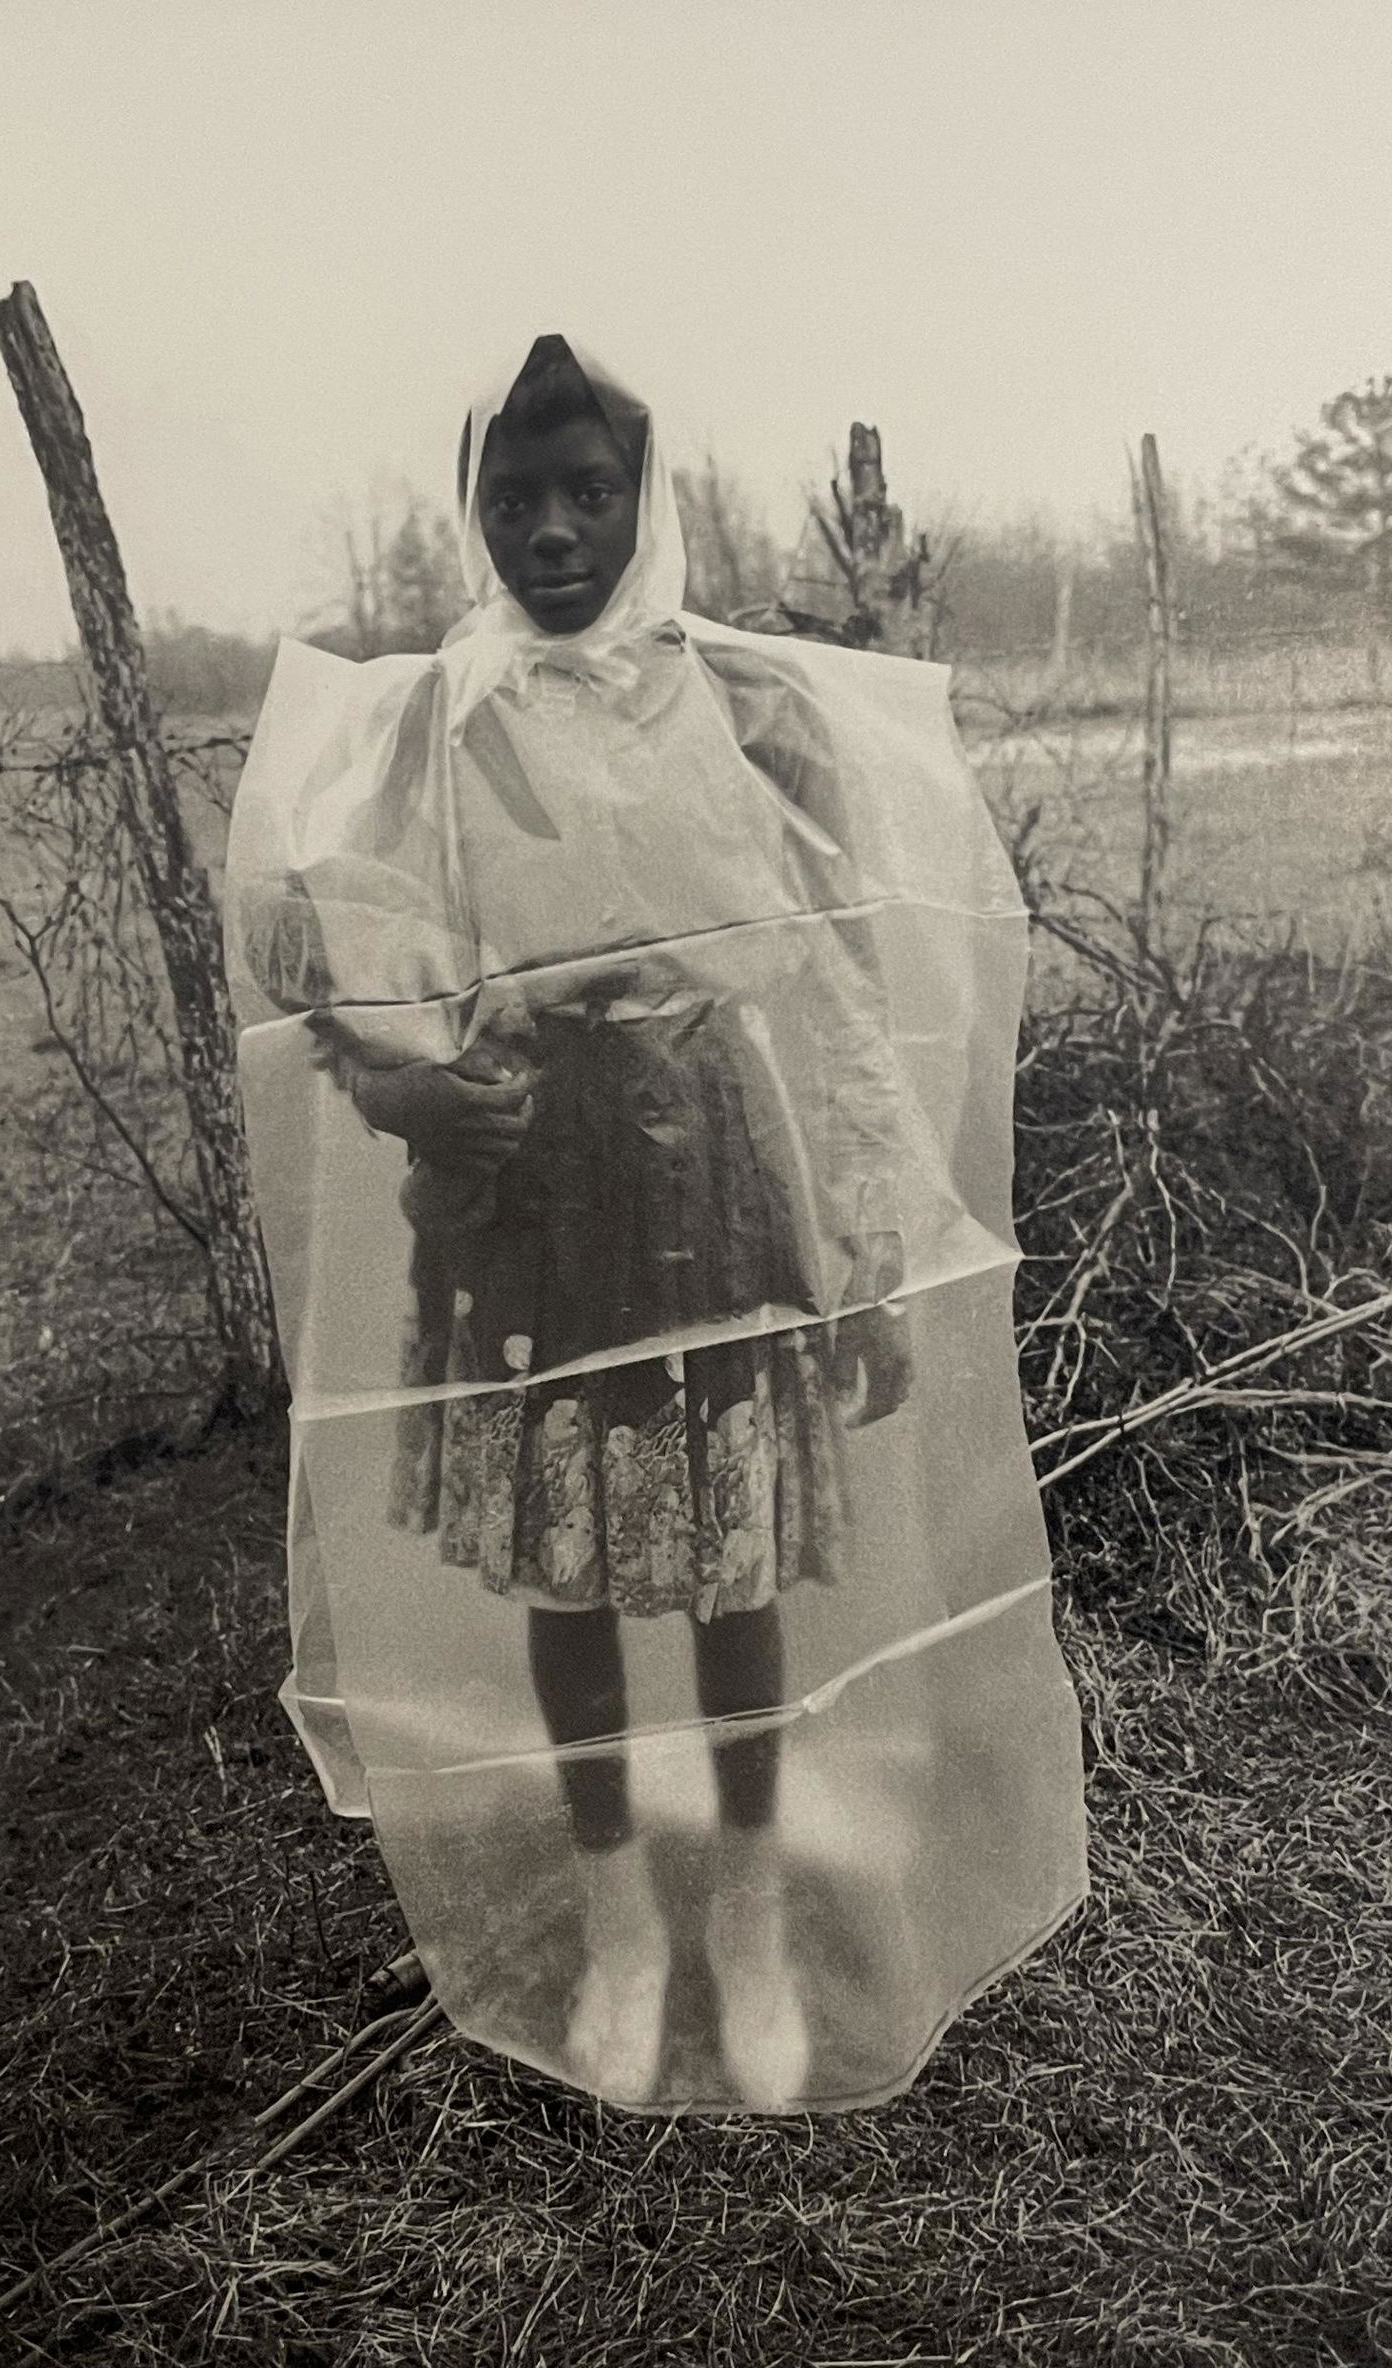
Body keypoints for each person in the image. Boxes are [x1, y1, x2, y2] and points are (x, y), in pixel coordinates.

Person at [226, 335, 1091, 2116]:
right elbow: (303, 942)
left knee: (734, 1555)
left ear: (644, 500)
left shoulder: (741, 704)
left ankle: (753, 1920)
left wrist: (863, 1227)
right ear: (471, 511)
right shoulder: (431, 722)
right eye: (515, 496)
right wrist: (409, 1083)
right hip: (535, 1188)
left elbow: (845, 968)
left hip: (714, 1167)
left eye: (588, 493)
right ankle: (625, 1919)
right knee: (569, 1560)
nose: (553, 531)